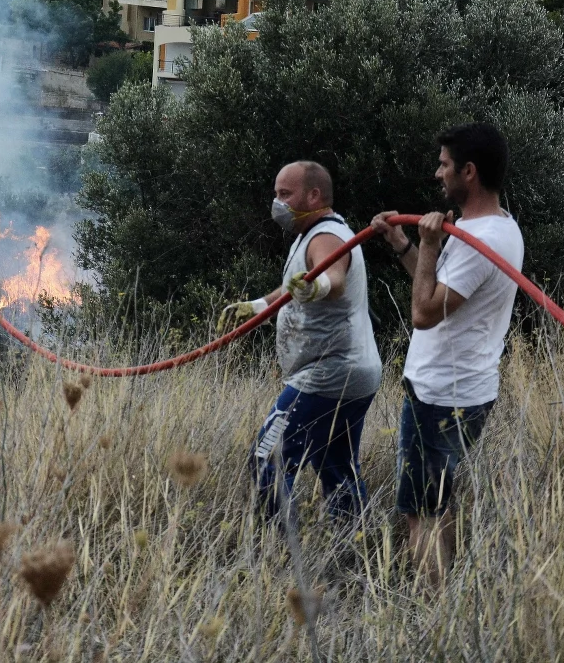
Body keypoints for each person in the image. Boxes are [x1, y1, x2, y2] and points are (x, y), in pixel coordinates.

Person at [371, 122, 524, 587]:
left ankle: (430, 611)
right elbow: (438, 289)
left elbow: (423, 313)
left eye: (444, 165)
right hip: (460, 389)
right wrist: (403, 244)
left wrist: (432, 243)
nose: (438, 174)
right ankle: (447, 596)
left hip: (442, 395)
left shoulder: (486, 240)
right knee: (437, 502)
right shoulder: (493, 227)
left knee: (420, 512)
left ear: (468, 171)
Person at [218, 161, 382, 522]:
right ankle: (353, 543)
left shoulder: (326, 236)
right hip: (355, 372)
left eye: (285, 194)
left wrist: (316, 287)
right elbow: (297, 284)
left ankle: (280, 544)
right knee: (336, 464)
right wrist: (257, 306)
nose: (277, 202)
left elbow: (332, 278)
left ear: (313, 195)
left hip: (327, 374)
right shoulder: (315, 233)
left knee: (267, 457)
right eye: (276, 193)